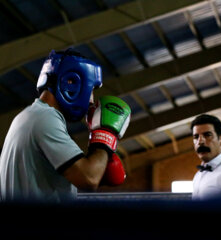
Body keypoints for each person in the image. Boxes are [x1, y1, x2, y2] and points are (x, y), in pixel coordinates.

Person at [0, 49, 131, 202]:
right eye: (91, 91)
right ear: (71, 82)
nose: (91, 101)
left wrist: (101, 168)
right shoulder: (45, 119)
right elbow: (89, 179)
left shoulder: (27, 117)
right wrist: (105, 136)